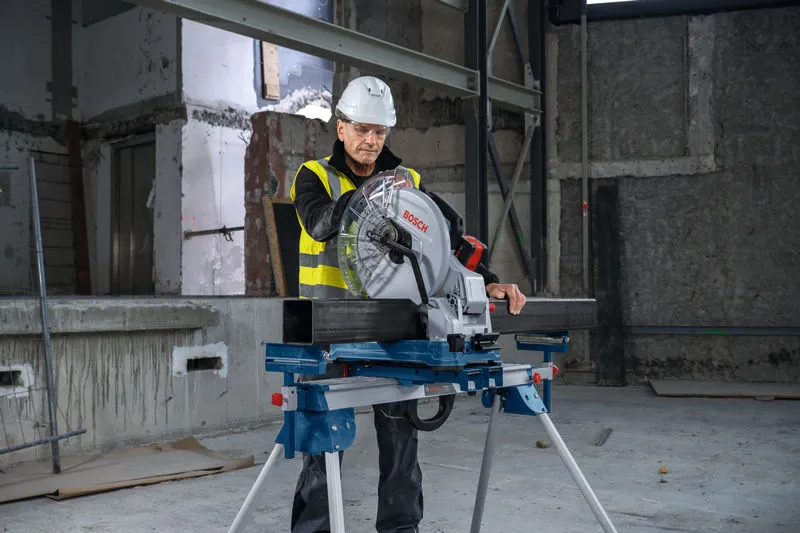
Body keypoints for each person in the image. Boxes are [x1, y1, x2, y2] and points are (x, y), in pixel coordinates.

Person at [289, 75, 527, 533]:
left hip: (392, 327)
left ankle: (400, 528)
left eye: (379, 131)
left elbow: (446, 241)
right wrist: (373, 199)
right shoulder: (314, 176)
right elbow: (318, 224)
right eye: (362, 129)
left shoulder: (407, 182)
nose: (370, 140)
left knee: (401, 439)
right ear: (341, 128)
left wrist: (488, 282)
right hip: (327, 329)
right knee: (321, 446)